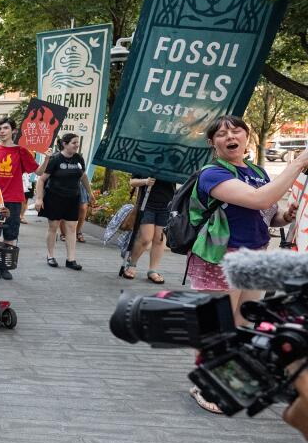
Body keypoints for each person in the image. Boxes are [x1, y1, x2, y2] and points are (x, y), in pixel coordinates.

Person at [185, 115, 306, 411]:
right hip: (220, 256)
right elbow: (257, 200)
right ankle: (207, 386)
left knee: (244, 325)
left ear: (246, 137)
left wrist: (284, 217)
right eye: (222, 133)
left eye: (236, 130)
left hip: (255, 256)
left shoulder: (256, 171)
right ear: (212, 143)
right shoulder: (212, 174)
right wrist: (297, 163)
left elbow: (267, 213)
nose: (230, 135)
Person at [0, 117, 38, 280]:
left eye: (5, 128)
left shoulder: (21, 151)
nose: (2, 131)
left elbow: (38, 172)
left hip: (13, 198)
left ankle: (6, 265)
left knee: (11, 233)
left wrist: (47, 157)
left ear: (13, 130)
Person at [35, 133, 91, 270]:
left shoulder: (78, 158)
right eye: (74, 143)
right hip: (54, 197)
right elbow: (41, 179)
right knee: (53, 226)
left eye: (77, 143)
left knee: (71, 228)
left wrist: (90, 192)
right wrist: (39, 198)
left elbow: (83, 176)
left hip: (73, 198)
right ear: (65, 144)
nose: (77, 145)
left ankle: (71, 259)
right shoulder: (55, 159)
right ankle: (50, 255)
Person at [121, 175, 176, 283]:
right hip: (147, 204)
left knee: (159, 239)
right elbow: (132, 182)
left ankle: (153, 270)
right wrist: (145, 181)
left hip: (167, 204)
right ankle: (132, 264)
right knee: (146, 238)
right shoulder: (146, 159)